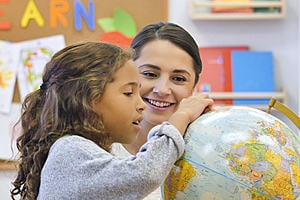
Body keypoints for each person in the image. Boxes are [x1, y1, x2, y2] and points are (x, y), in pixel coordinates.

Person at [10, 41, 213, 200]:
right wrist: (180, 118)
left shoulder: (82, 151)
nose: (141, 104)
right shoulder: (69, 149)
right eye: (128, 93)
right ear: (88, 100)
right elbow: (144, 173)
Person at [111, 21, 213, 199]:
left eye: (179, 78)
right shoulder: (95, 150)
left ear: (194, 87)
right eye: (150, 74)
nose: (162, 90)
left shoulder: (211, 153)